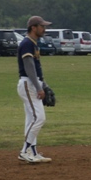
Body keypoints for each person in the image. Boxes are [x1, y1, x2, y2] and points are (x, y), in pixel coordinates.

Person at [18, 16, 53, 164]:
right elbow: (29, 67)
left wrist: (44, 84)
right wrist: (39, 88)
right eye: (42, 26)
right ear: (34, 27)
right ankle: (24, 151)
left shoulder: (33, 43)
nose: (44, 29)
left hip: (32, 83)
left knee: (32, 119)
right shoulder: (27, 43)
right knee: (39, 118)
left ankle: (32, 152)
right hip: (28, 84)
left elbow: (37, 68)